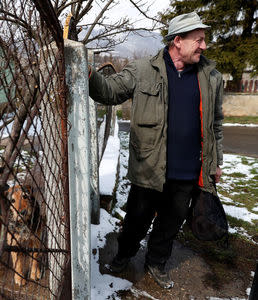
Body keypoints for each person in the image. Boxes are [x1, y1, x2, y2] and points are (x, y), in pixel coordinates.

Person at [88, 12, 224, 289]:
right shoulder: (142, 70)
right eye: (198, 40)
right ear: (178, 41)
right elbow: (110, 92)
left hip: (188, 171)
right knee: (136, 220)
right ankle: (124, 255)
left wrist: (215, 163)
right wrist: (87, 73)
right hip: (150, 167)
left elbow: (215, 125)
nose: (204, 46)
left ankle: (157, 262)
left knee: (170, 225)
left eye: (204, 40)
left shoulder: (211, 77)